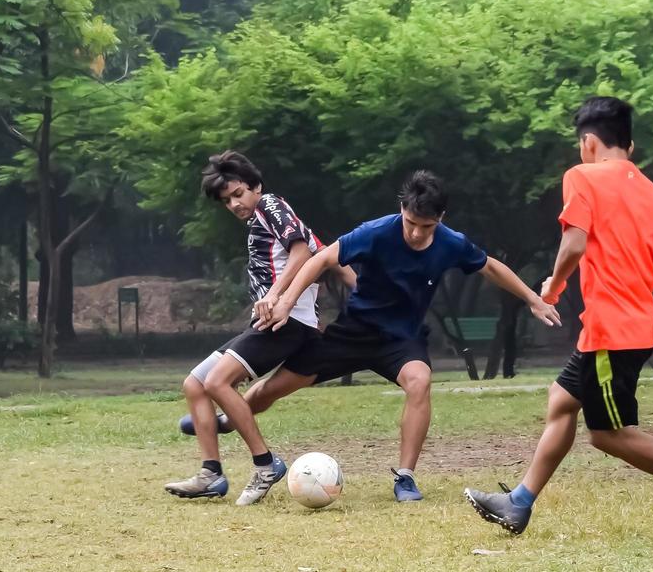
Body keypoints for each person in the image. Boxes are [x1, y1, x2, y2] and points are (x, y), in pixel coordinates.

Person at [464, 96, 653, 535]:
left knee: (608, 434)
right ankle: (519, 503)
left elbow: (574, 244)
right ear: (632, 144)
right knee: (561, 400)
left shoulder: (582, 177)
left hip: (613, 332)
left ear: (589, 143)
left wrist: (553, 285)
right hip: (627, 328)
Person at [246, 169, 562, 501]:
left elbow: (490, 266)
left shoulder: (450, 242)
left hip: (401, 338)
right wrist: (284, 301)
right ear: (402, 210)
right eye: (410, 222)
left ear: (440, 218)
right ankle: (230, 416)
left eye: (426, 226)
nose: (415, 232)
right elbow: (322, 258)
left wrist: (532, 299)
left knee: (419, 380)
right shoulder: (377, 232)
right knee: (273, 389)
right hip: (353, 332)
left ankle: (405, 478)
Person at [165, 151, 353, 505]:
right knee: (194, 384)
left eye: (238, 194)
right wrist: (360, 289)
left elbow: (300, 253)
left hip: (288, 321)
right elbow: (324, 251)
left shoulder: (269, 205)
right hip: (274, 321)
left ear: (255, 187)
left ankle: (266, 464)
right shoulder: (266, 220)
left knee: (218, 381)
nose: (234, 204)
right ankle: (211, 474)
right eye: (226, 201)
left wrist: (277, 296)